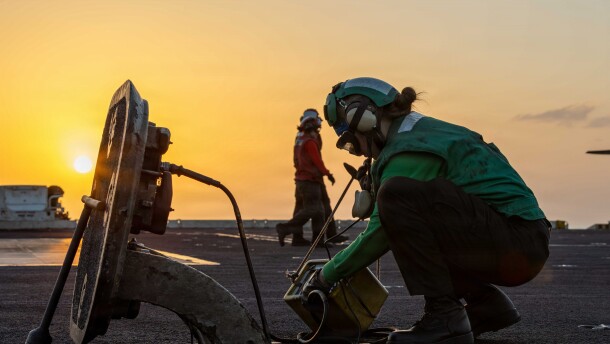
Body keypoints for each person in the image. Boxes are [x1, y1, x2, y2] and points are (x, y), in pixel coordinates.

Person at [302, 77, 550, 344]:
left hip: (517, 243)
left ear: (362, 117)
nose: (355, 151)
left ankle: (445, 319)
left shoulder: (410, 148)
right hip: (519, 238)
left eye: (349, 140)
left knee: (395, 196)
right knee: (402, 205)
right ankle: (486, 305)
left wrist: (326, 276)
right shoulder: (418, 133)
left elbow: (380, 232)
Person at [276, 109, 346, 247]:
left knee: (311, 207)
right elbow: (317, 160)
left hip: (303, 178)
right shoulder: (310, 141)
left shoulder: (300, 138)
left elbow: (297, 158)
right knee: (317, 209)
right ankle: (288, 229)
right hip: (311, 179)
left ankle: (310, 238)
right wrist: (327, 173)